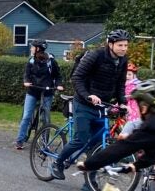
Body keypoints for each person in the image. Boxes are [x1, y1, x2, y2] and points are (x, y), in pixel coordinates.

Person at [51, 29, 130, 180]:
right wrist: (88, 95)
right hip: (83, 103)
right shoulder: (96, 55)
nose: (124, 48)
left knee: (97, 145)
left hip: (102, 105)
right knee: (81, 139)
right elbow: (77, 78)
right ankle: (58, 163)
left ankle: (90, 182)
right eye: (120, 45)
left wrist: (122, 102)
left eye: (126, 45)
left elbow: (120, 84)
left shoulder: (123, 60)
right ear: (110, 44)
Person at [14, 39, 64, 150]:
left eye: (32, 47)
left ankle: (45, 142)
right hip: (33, 91)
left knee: (45, 118)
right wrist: (26, 82)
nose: (31, 49)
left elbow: (57, 76)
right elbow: (27, 74)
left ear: (38, 49)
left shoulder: (51, 61)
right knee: (27, 116)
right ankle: (20, 140)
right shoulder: (31, 61)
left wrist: (59, 84)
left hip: (47, 92)